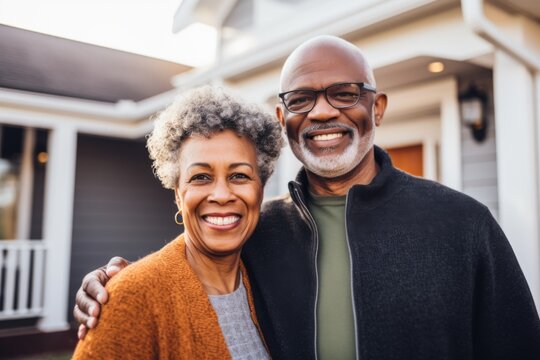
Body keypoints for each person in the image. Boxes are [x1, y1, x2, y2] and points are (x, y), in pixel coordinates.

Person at [75, 36, 540, 359]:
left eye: (344, 93)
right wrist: (111, 286)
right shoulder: (258, 233)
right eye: (301, 99)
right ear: (282, 116)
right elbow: (185, 270)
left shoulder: (463, 224)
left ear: (376, 107)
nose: (321, 112)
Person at [72, 86, 283, 359]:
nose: (221, 195)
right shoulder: (131, 298)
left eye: (239, 176)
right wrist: (127, 287)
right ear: (177, 195)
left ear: (260, 189)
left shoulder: (268, 281)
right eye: (200, 177)